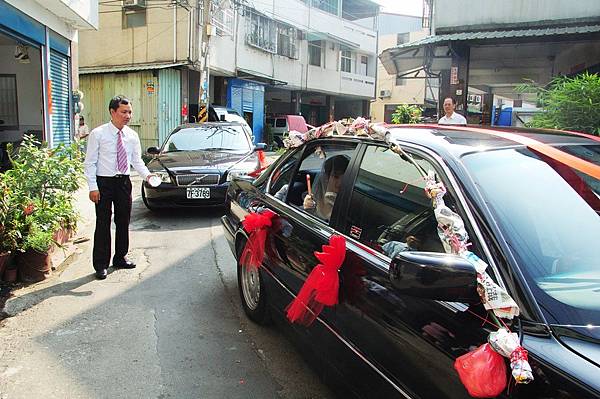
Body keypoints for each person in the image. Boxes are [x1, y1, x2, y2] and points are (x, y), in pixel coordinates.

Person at [84, 95, 155, 280]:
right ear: (112, 112)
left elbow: (136, 160)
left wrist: (147, 175)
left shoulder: (132, 136)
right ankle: (100, 264)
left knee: (123, 221)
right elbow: (90, 162)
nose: (128, 115)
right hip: (104, 183)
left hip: (123, 182)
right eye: (124, 112)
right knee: (103, 222)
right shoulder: (98, 134)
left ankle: (120, 256)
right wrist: (93, 187)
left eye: (130, 112)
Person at [303, 155, 350, 221]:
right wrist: (308, 207)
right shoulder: (316, 197)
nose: (340, 182)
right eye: (336, 177)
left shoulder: (350, 199)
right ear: (327, 178)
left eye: (345, 177)